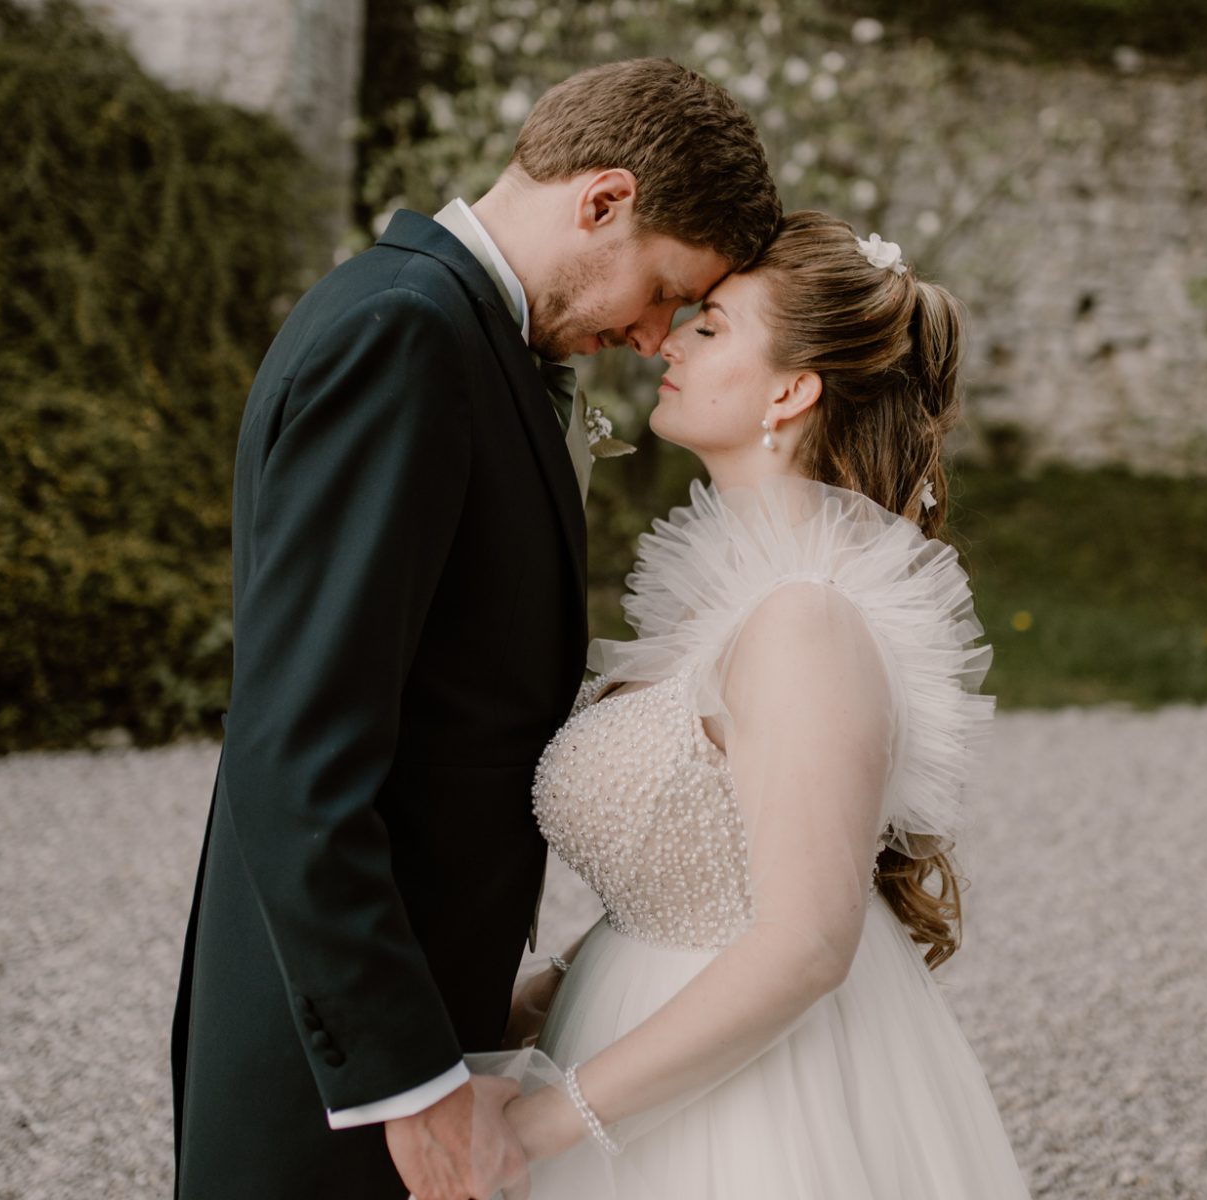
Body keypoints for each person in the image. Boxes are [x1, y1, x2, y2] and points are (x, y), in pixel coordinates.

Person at [168, 59, 780, 1200]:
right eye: (661, 290)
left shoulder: (450, 329)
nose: (653, 337)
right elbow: (294, 748)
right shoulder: (407, 338)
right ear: (602, 201)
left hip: (417, 1001)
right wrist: (407, 1079)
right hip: (340, 1071)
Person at [475, 211, 1033, 1197]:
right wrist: (534, 1003)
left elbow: (806, 943)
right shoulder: (718, 601)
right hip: (623, 1038)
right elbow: (691, 874)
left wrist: (539, 1127)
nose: (667, 341)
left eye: (711, 325)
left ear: (791, 388)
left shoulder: (804, 623)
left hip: (748, 1106)